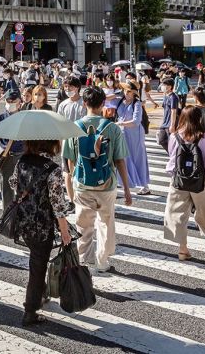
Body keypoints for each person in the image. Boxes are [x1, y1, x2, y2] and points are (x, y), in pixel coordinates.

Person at [63, 86, 132, 273]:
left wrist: (71, 190)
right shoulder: (112, 129)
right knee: (106, 223)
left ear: (84, 103)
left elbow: (69, 163)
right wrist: (126, 189)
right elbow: (120, 161)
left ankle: (84, 262)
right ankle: (102, 261)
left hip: (82, 184)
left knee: (83, 225)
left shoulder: (74, 128)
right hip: (107, 184)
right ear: (103, 104)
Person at [7, 139, 73, 327]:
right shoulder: (52, 169)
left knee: (36, 260)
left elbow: (13, 183)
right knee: (38, 265)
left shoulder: (22, 161)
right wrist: (64, 230)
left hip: (23, 220)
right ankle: (30, 310)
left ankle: (41, 292)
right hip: (42, 224)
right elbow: (57, 203)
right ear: (51, 144)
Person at [163, 107, 205, 261]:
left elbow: (171, 154)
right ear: (199, 119)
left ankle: (183, 249)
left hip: (179, 179)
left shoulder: (175, 136)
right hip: (201, 180)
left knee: (177, 212)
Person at [0, 90, 23, 210]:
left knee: (23, 188)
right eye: (8, 101)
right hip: (6, 156)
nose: (11, 103)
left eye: (14, 101)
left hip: (22, 156)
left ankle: (20, 216)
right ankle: (7, 217)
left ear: (20, 102)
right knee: (6, 189)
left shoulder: (24, 117)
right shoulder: (1, 118)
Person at [117, 82, 150, 195]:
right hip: (122, 133)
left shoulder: (137, 104)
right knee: (124, 157)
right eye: (125, 90)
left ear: (134, 93)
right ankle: (124, 181)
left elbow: (136, 121)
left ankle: (145, 185)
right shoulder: (120, 101)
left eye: (129, 91)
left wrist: (121, 123)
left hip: (135, 134)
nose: (126, 92)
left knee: (138, 158)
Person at [157, 78, 181, 152]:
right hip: (165, 122)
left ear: (170, 87)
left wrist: (172, 125)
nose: (162, 86)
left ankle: (175, 156)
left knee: (172, 141)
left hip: (170, 123)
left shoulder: (173, 97)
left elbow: (173, 111)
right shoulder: (166, 96)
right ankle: (173, 154)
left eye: (164, 85)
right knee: (161, 140)